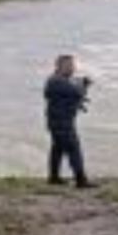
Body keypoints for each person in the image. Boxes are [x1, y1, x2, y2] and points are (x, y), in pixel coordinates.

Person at [44, 54, 96, 188]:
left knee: (58, 149)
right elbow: (78, 92)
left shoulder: (59, 80)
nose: (73, 68)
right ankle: (81, 180)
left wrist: (80, 84)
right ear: (60, 66)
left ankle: (53, 177)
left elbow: (73, 92)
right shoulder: (57, 81)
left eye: (73, 65)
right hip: (61, 123)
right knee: (74, 149)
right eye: (70, 66)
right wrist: (84, 84)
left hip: (58, 121)